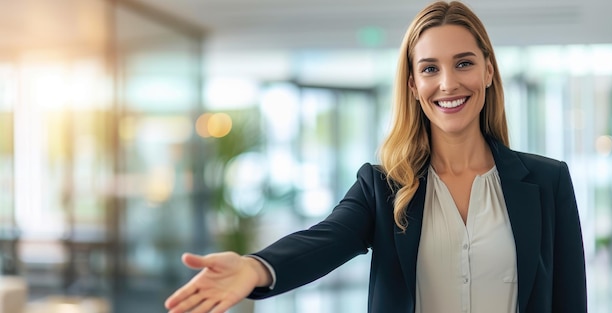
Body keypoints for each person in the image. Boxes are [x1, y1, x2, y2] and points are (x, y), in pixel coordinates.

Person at [164, 1, 587, 312]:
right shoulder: (384, 186)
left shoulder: (548, 183)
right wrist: (256, 268)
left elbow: (570, 299)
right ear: (411, 85)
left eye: (463, 63)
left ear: (488, 72)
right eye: (429, 68)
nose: (447, 83)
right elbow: (324, 240)